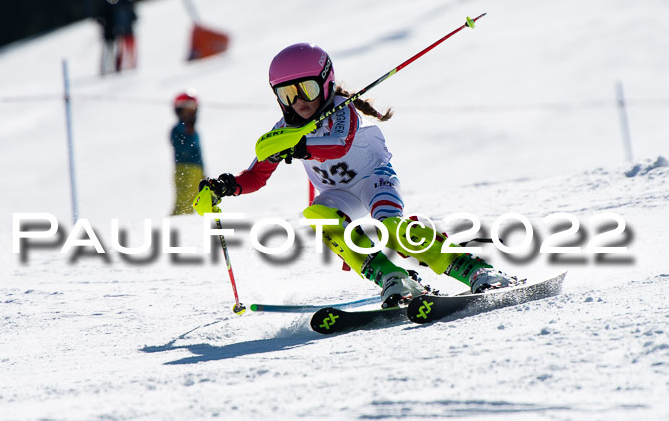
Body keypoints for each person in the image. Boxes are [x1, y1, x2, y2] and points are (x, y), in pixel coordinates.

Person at [199, 43, 516, 306]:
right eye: (287, 94)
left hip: (374, 179)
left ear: (324, 82)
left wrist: (298, 148)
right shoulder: (283, 131)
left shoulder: (342, 110)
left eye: (306, 89)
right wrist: (225, 187)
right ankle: (394, 278)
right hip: (339, 194)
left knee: (392, 226)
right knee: (319, 215)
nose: (298, 101)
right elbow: (256, 176)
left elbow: (338, 145)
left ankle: (475, 270)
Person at [170, 91, 205, 215]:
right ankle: (174, 223)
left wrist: (203, 172)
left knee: (193, 200)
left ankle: (184, 223)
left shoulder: (193, 130)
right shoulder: (178, 129)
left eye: (193, 110)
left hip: (196, 169)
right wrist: (188, 133)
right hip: (184, 168)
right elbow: (182, 149)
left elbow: (198, 153)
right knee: (184, 201)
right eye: (187, 110)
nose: (191, 113)